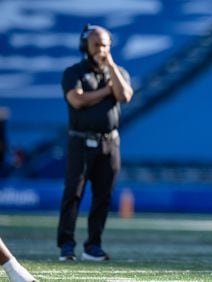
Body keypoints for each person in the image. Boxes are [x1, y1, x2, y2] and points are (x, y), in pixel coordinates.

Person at [56, 24, 133, 261]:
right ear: (86, 47)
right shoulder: (74, 72)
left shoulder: (117, 71)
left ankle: (93, 245)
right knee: (73, 194)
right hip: (81, 142)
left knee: (103, 197)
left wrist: (111, 68)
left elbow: (125, 95)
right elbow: (77, 100)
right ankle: (66, 245)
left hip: (110, 144)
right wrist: (104, 92)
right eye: (96, 45)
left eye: (105, 45)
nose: (101, 49)